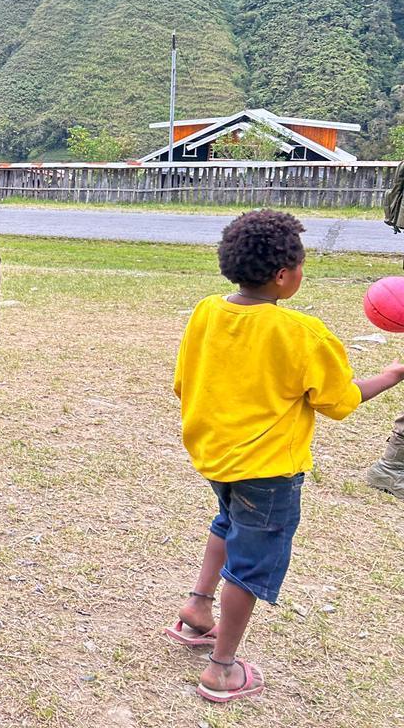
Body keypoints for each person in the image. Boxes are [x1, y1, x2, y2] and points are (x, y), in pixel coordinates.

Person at [166, 210, 404, 703]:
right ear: (282, 275)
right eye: (300, 264)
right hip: (269, 472)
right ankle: (222, 669)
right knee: (251, 563)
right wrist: (393, 374)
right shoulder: (302, 333)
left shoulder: (206, 312)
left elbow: (181, 383)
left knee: (227, 526)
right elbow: (340, 401)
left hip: (216, 457)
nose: (302, 272)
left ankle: (196, 610)